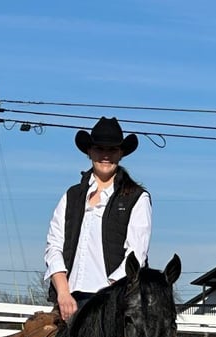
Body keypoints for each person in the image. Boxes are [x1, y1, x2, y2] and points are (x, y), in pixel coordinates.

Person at [44, 117, 152, 321]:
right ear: (89, 152)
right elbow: (54, 246)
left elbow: (136, 254)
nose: (105, 156)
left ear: (121, 154)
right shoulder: (72, 196)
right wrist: (63, 292)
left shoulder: (137, 198)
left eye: (112, 150)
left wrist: (107, 295)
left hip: (114, 301)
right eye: (99, 149)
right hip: (70, 300)